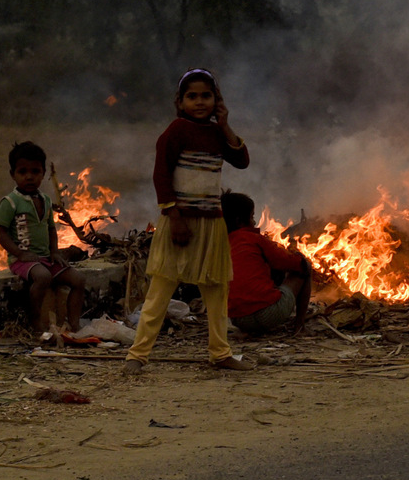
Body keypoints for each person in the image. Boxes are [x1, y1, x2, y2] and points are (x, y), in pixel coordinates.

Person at [123, 69, 254, 374]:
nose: (199, 102)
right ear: (180, 101)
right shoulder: (176, 131)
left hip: (212, 223)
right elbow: (162, 176)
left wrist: (225, 124)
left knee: (217, 290)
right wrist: (174, 216)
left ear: (216, 100)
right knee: (160, 290)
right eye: (191, 96)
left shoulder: (218, 133)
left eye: (206, 96)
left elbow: (242, 160)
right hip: (179, 221)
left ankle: (220, 352)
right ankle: (137, 355)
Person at [0, 141, 87, 336]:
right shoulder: (10, 202)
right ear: (13, 174)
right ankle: (36, 321)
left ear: (43, 173)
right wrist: (19, 253)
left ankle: (74, 324)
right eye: (22, 171)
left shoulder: (45, 200)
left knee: (78, 280)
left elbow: (51, 229)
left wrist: (54, 252)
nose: (29, 177)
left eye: (35, 172)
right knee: (43, 277)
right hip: (21, 260)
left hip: (45, 258)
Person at [222, 192, 311, 336]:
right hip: (268, 315)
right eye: (252, 217)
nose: (254, 222)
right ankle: (300, 327)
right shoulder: (253, 238)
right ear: (239, 221)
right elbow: (286, 261)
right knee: (305, 268)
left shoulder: (222, 244)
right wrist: (300, 260)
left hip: (238, 319)